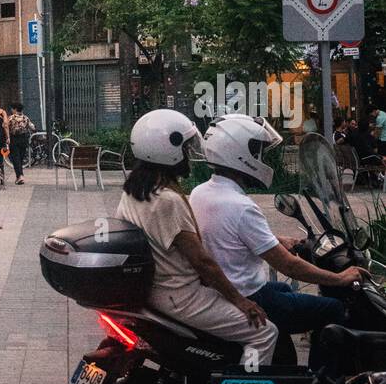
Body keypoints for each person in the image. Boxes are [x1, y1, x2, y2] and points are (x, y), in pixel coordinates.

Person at [190, 115, 361, 366]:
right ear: (238, 153)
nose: (262, 158)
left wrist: (277, 239)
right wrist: (340, 278)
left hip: (225, 289)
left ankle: (282, 364)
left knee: (282, 289)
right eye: (257, 151)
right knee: (333, 308)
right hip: (248, 296)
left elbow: (226, 234)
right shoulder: (241, 206)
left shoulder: (201, 192)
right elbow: (289, 266)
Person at [117, 109, 279, 365]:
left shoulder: (136, 190)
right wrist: (240, 301)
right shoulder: (167, 200)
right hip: (182, 295)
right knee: (265, 332)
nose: (190, 156)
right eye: (185, 148)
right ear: (168, 150)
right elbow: (202, 262)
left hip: (156, 289)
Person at [8, 102, 35, 185]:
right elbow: (32, 127)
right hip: (23, 139)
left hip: (14, 139)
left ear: (15, 109)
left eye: (12, 108)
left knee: (15, 159)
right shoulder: (25, 118)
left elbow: (5, 126)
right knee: (20, 158)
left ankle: (20, 176)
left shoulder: (11, 118)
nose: (11, 110)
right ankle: (19, 176)